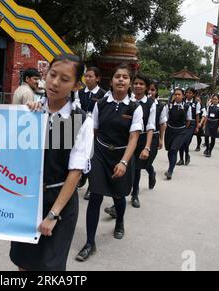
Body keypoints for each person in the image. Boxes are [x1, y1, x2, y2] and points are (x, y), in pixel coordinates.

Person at [10, 54, 93, 271]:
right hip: (28, 197)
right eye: (52, 74)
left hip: (59, 202)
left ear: (76, 85)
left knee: (50, 267)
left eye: (64, 79)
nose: (55, 82)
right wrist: (25, 118)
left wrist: (53, 214)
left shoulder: (79, 120)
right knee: (24, 262)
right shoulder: (30, 112)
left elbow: (75, 172)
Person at [75, 64, 142, 262]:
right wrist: (85, 156)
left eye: (125, 77)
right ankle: (89, 243)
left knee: (119, 196)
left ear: (129, 83)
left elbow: (133, 138)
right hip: (100, 154)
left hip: (121, 156)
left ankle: (119, 220)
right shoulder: (100, 104)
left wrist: (123, 162)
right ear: (111, 81)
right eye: (117, 76)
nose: (121, 80)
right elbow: (92, 132)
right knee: (95, 196)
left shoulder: (134, 108)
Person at [75, 67, 107, 200]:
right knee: (80, 153)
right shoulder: (79, 92)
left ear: (98, 78)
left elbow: (103, 113)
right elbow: (76, 108)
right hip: (80, 128)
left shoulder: (103, 94)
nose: (87, 79)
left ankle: (91, 187)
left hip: (95, 130)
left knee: (92, 157)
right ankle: (81, 176)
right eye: (86, 76)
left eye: (90, 76)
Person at [128, 73, 156, 208]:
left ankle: (135, 194)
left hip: (142, 139)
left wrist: (147, 147)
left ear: (146, 87)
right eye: (136, 83)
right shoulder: (128, 100)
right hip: (126, 138)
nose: (138, 86)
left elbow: (151, 126)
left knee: (136, 168)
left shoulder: (151, 104)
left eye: (141, 84)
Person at [163, 88, 192, 180]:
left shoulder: (187, 106)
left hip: (181, 131)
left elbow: (188, 120)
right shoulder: (169, 106)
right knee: (169, 150)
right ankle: (171, 165)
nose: (177, 96)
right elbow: (165, 119)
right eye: (175, 94)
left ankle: (170, 171)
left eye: (179, 94)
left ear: (183, 96)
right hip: (170, 130)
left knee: (174, 149)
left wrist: (183, 129)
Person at [177, 88, 200, 166]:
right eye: (187, 93)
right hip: (182, 123)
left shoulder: (196, 103)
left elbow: (197, 115)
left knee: (186, 141)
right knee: (180, 141)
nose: (188, 94)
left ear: (193, 94)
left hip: (192, 124)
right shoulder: (182, 102)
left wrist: (197, 126)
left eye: (190, 93)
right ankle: (181, 159)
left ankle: (187, 155)